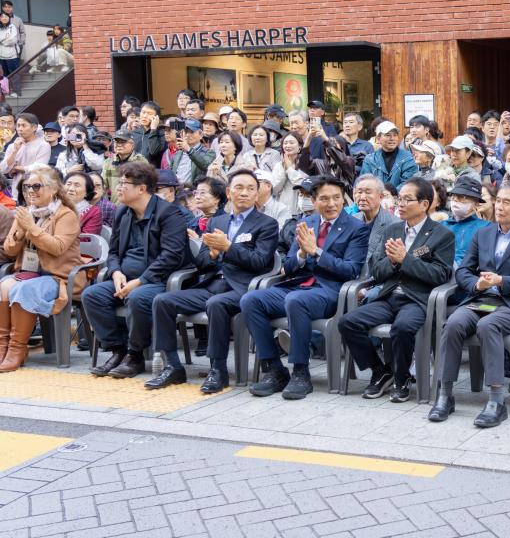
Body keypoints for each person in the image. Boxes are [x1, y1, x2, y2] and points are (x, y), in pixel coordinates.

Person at [146, 170, 279, 393]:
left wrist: (228, 247)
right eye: (239, 187)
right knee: (162, 301)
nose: (244, 193)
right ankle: (173, 365)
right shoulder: (217, 221)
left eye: (250, 189)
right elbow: (201, 262)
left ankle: (218, 370)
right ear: (228, 192)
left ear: (257, 195)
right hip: (212, 284)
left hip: (243, 288)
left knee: (217, 304)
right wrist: (213, 255)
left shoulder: (267, 224)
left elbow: (260, 261)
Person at [429, 180, 510, 427]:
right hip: (480, 299)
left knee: (488, 326)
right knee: (452, 324)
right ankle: (445, 393)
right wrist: (476, 284)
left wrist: (503, 281)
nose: (500, 207)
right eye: (499, 201)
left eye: (507, 202)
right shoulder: (483, 233)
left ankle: (496, 400)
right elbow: (463, 271)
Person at [242, 176, 369, 400]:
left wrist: (316, 252)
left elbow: (350, 270)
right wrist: (301, 254)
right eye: (324, 199)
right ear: (313, 200)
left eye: (337, 198)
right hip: (297, 285)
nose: (331, 204)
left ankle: (300, 371)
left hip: (330, 291)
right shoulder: (307, 223)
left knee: (296, 301)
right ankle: (274, 368)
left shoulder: (356, 228)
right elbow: (289, 267)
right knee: (250, 300)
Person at [338, 178, 455, 403]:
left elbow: (440, 275)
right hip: (388, 295)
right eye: (399, 199)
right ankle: (380, 371)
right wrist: (393, 263)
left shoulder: (442, 235)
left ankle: (402, 379)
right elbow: (377, 270)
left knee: (402, 328)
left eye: (407, 199)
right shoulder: (392, 229)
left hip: (417, 299)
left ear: (424, 204)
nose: (400, 204)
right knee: (347, 322)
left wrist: (405, 260)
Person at [83, 163, 192, 378]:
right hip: (126, 278)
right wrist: (115, 272)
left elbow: (171, 256)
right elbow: (113, 251)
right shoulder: (123, 212)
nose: (119, 188)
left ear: (141, 189)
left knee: (138, 297)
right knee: (92, 295)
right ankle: (118, 350)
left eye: (124, 183)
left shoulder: (169, 214)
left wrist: (140, 280)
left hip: (161, 280)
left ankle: (135, 354)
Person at [0, 165, 84, 371]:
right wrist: (20, 232)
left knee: (23, 289)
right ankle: (3, 346)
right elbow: (10, 251)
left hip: (59, 277)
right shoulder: (26, 213)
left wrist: (31, 227)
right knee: (2, 286)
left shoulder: (66, 215)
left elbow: (57, 248)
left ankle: (18, 349)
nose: (30, 191)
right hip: (29, 273)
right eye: (26, 186)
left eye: (36, 186)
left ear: (54, 188)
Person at [1, 114, 52, 196]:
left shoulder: (43, 145)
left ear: (34, 127)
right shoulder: (12, 146)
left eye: (23, 125)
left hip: (34, 189)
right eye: (18, 125)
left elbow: (40, 167)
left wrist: (18, 168)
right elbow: (3, 169)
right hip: (16, 190)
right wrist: (15, 151)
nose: (20, 129)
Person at [358, 121, 418, 189]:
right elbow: (365, 182)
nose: (392, 139)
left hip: (401, 198)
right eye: (388, 135)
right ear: (378, 138)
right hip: (376, 198)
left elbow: (408, 183)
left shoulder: (408, 157)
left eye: (395, 135)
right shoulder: (370, 159)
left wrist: (389, 195)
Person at [445, 175, 489, 264]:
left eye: (463, 197)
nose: (456, 200)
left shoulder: (486, 228)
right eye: (453, 196)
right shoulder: (440, 225)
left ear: (476, 204)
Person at [100, 129, 148, 198]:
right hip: (115, 206)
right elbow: (103, 186)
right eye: (116, 142)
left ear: (133, 145)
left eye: (123, 142)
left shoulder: (141, 162)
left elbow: (147, 186)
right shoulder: (108, 163)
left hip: (135, 205)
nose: (119, 145)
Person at [132, 101, 166, 166]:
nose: (145, 116)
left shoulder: (161, 134)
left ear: (156, 117)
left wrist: (153, 130)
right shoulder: (135, 133)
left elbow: (154, 151)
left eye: (149, 114)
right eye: (143, 112)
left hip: (152, 172)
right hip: (135, 171)